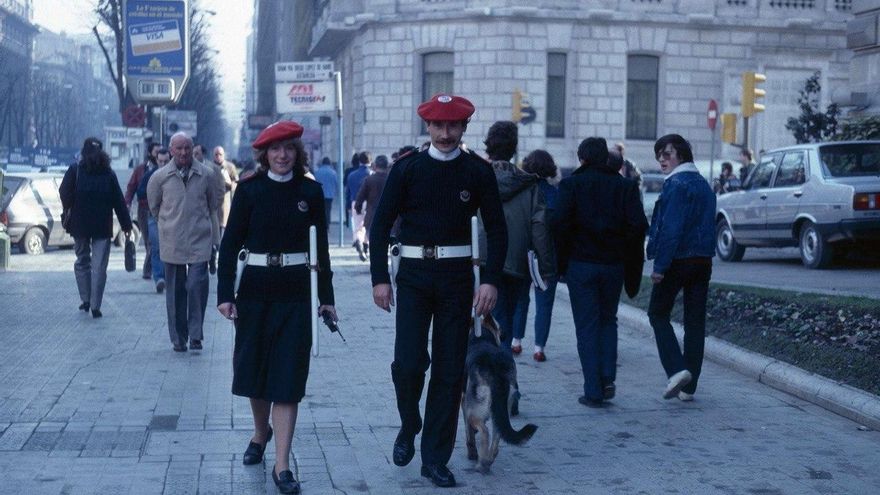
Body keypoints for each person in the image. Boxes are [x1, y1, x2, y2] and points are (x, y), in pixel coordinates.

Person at [369, 93, 507, 488]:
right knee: (409, 364)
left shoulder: (477, 172)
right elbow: (380, 226)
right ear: (427, 127)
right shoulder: (407, 169)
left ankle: (434, 459)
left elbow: (497, 229)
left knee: (448, 372)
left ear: (464, 128)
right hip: (412, 276)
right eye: (438, 126)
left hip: (456, 279)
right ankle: (409, 423)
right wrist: (380, 278)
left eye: (453, 126)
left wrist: (491, 280)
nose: (445, 133)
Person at [217, 120, 336, 494]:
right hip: (254, 292)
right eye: (275, 150)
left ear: (297, 153)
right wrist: (225, 295)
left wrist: (326, 299)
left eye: (288, 149)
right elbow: (230, 242)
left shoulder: (310, 192)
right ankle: (259, 431)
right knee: (254, 372)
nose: (282, 155)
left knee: (287, 379)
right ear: (264, 155)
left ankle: (282, 466)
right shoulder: (249, 191)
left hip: (295, 293)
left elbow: (322, 253)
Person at [551, 137, 648, 408]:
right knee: (608, 320)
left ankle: (592, 389)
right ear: (605, 159)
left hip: (580, 264)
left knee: (587, 326)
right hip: (613, 265)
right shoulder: (625, 187)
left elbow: (558, 224)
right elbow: (639, 225)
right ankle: (607, 378)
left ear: (582, 159)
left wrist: (561, 262)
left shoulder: (570, 185)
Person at [647, 134, 716, 402]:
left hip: (678, 261)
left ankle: (677, 370)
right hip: (703, 261)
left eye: (667, 154)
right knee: (695, 322)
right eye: (659, 155)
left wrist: (660, 266)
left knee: (657, 313)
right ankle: (689, 387)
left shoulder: (676, 185)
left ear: (682, 156)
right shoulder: (704, 185)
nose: (662, 160)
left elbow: (671, 230)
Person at [481, 121, 555, 362]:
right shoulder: (529, 184)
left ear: (488, 146)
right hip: (516, 263)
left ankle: (484, 382)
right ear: (514, 149)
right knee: (505, 324)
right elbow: (540, 228)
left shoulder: (474, 178)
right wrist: (545, 268)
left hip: (478, 262)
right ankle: (504, 381)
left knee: (477, 325)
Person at [147, 132, 224, 352]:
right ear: (171, 150)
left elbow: (213, 204)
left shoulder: (207, 175)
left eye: (187, 148)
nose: (183, 152)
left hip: (200, 239)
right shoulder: (160, 177)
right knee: (175, 290)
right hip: (172, 240)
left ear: (193, 150)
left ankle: (196, 334)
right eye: (179, 148)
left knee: (196, 285)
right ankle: (178, 338)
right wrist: (168, 222)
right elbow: (154, 206)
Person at [59, 137, 133, 318]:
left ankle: (86, 299)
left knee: (82, 260)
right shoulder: (108, 174)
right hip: (102, 226)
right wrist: (126, 225)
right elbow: (119, 202)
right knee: (99, 266)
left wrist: (71, 206)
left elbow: (63, 192)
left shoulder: (75, 170)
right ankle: (95, 304)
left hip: (80, 224)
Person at [519, 149, 561, 362]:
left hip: (522, 252)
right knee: (545, 304)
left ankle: (516, 341)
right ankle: (539, 347)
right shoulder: (555, 193)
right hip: (547, 253)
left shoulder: (522, 191)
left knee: (520, 298)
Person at [124, 142, 161, 280]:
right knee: (148, 241)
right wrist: (127, 203)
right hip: (144, 209)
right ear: (150, 153)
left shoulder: (165, 168)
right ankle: (152, 268)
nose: (158, 154)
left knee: (155, 241)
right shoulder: (140, 170)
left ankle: (149, 269)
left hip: (160, 209)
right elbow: (131, 186)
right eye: (156, 152)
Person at [147, 149, 171, 293]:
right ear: (156, 160)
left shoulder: (176, 175)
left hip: (171, 218)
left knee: (170, 248)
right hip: (154, 217)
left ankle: (169, 277)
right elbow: (141, 190)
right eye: (160, 161)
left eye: (165, 161)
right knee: (156, 247)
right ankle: (159, 278)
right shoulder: (151, 175)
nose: (162, 164)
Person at [354, 154, 390, 243]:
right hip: (388, 215)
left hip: (372, 215)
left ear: (375, 165)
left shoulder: (369, 180)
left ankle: (368, 249)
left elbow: (360, 197)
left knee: (372, 240)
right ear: (387, 166)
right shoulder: (391, 180)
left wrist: (358, 209)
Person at [346, 151, 371, 260]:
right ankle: (366, 247)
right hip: (369, 203)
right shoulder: (371, 174)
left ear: (359, 161)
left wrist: (347, 204)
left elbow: (348, 191)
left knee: (358, 226)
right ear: (370, 161)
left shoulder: (352, 175)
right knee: (368, 226)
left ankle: (358, 242)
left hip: (355, 202)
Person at [212, 146, 240, 239]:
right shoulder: (209, 167)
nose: (218, 156)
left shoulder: (230, 167)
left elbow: (237, 182)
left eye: (220, 154)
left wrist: (230, 185)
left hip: (225, 201)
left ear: (224, 155)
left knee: (223, 225)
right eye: (216, 154)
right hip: (212, 202)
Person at [313, 156, 338, 228]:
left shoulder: (317, 172)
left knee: (320, 210)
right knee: (328, 210)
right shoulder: (333, 172)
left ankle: (320, 225)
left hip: (319, 194)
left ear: (322, 163)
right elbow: (336, 183)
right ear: (329, 163)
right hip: (329, 195)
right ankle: (327, 226)